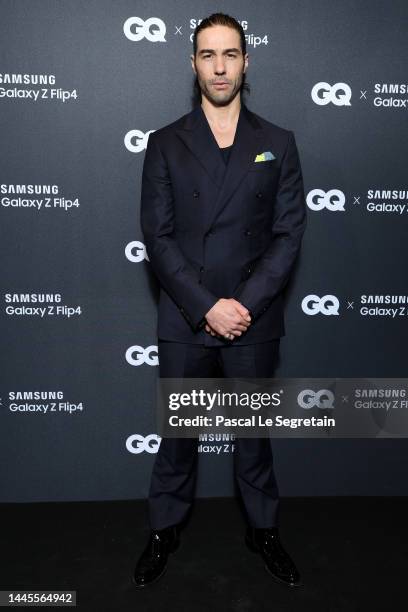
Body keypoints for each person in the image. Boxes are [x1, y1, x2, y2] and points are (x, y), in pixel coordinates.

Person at [133, 12, 307, 588]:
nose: (219, 67)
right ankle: (164, 530)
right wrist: (207, 306)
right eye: (207, 55)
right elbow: (156, 238)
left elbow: (287, 236)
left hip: (252, 318)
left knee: (253, 439)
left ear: (246, 60)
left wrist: (243, 305)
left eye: (229, 54)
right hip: (187, 316)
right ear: (193, 64)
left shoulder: (277, 142)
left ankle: (264, 531)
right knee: (178, 437)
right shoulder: (164, 143)